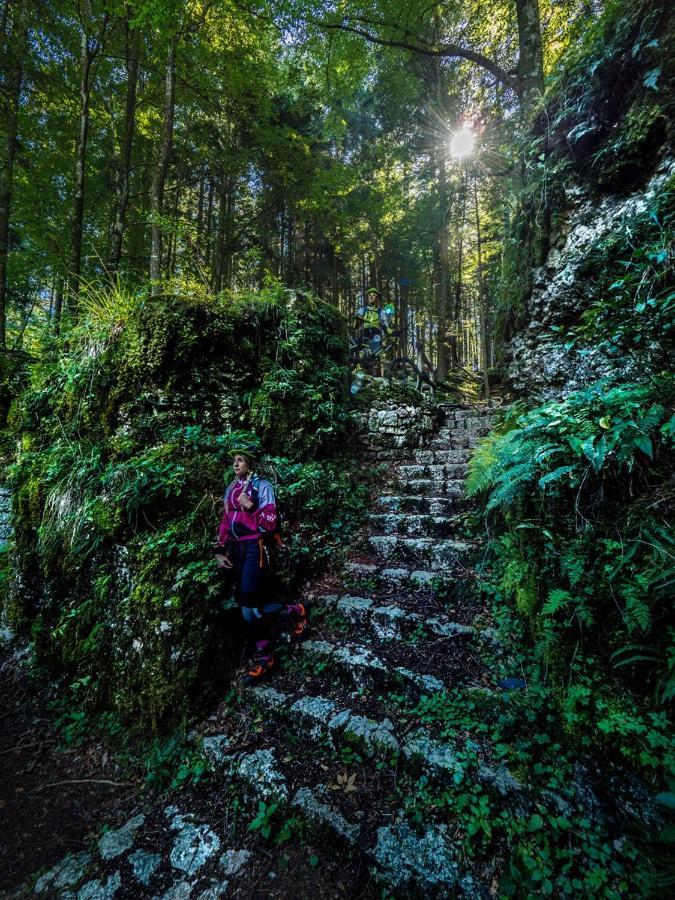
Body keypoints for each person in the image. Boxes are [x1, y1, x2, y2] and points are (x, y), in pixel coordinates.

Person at [213, 445, 309, 685]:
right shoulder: (231, 488)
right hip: (235, 550)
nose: (236, 464)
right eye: (234, 460)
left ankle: (265, 656)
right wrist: (219, 550)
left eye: (240, 460)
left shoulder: (262, 486)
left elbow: (271, 522)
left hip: (255, 548)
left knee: (249, 610)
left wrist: (251, 506)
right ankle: (297, 611)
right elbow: (225, 521)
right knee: (254, 603)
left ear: (249, 464)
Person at [354, 287, 390, 355]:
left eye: (374, 295)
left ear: (377, 298)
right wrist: (357, 321)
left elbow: (385, 327)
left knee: (374, 357)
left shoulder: (381, 312)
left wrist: (385, 340)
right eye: (369, 295)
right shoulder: (362, 311)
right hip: (364, 334)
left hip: (376, 336)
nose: (371, 297)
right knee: (355, 350)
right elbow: (356, 327)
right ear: (367, 298)